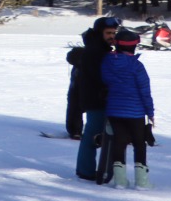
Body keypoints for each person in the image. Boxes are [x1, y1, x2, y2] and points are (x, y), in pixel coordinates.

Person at [66, 16, 117, 182]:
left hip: (97, 98)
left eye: (114, 33)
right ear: (99, 33)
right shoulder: (96, 51)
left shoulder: (100, 48)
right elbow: (99, 77)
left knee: (94, 135)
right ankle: (86, 170)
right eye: (109, 33)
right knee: (91, 135)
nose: (112, 36)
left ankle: (88, 169)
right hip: (96, 100)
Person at [101, 30, 154, 189]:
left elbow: (106, 80)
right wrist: (150, 113)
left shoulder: (107, 62)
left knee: (119, 142)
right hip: (135, 111)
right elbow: (145, 91)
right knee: (139, 143)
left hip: (114, 109)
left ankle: (120, 180)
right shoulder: (137, 66)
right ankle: (142, 181)